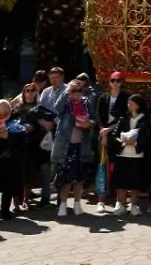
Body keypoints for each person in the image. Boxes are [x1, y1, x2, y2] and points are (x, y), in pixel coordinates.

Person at [50, 79, 94, 218]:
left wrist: (89, 124)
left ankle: (77, 204)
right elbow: (56, 108)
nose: (77, 94)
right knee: (65, 179)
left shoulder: (86, 103)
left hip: (81, 146)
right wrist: (66, 90)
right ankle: (63, 205)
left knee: (79, 178)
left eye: (79, 90)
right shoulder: (66, 103)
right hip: (65, 146)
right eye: (74, 91)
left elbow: (93, 120)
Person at [95, 72, 129, 212]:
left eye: (118, 81)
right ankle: (101, 200)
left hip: (117, 135)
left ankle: (119, 200)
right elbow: (98, 115)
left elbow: (124, 118)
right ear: (109, 82)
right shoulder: (103, 98)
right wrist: (103, 132)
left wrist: (109, 130)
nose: (115, 83)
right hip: (104, 135)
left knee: (118, 167)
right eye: (113, 80)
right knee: (102, 166)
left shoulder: (126, 98)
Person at [111, 94, 149, 216]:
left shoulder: (144, 119)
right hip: (123, 154)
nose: (129, 105)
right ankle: (122, 205)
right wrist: (122, 141)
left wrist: (136, 142)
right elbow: (115, 135)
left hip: (136, 155)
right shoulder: (123, 119)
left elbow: (147, 137)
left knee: (135, 182)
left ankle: (134, 205)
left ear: (138, 105)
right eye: (128, 103)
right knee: (121, 181)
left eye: (132, 103)